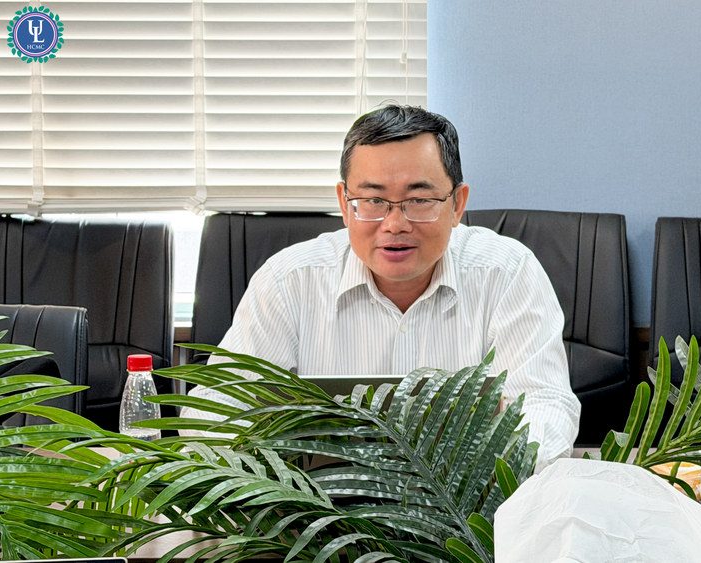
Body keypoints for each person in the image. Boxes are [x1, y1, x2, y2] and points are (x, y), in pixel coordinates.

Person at [182, 104, 580, 470]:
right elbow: (214, 409)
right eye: (373, 200)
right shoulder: (289, 281)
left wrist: (500, 468)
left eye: (419, 200)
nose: (395, 224)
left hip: (470, 516)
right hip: (317, 512)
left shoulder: (508, 273)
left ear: (457, 204)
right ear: (344, 203)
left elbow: (545, 404)